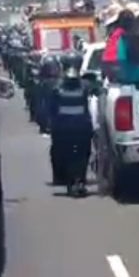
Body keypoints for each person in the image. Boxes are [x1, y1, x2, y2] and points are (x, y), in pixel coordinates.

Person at [49, 54, 96, 196]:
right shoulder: (85, 85)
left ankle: (75, 181)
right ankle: (77, 181)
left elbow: (50, 109)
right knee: (79, 155)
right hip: (77, 129)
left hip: (67, 130)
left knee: (74, 155)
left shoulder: (56, 86)